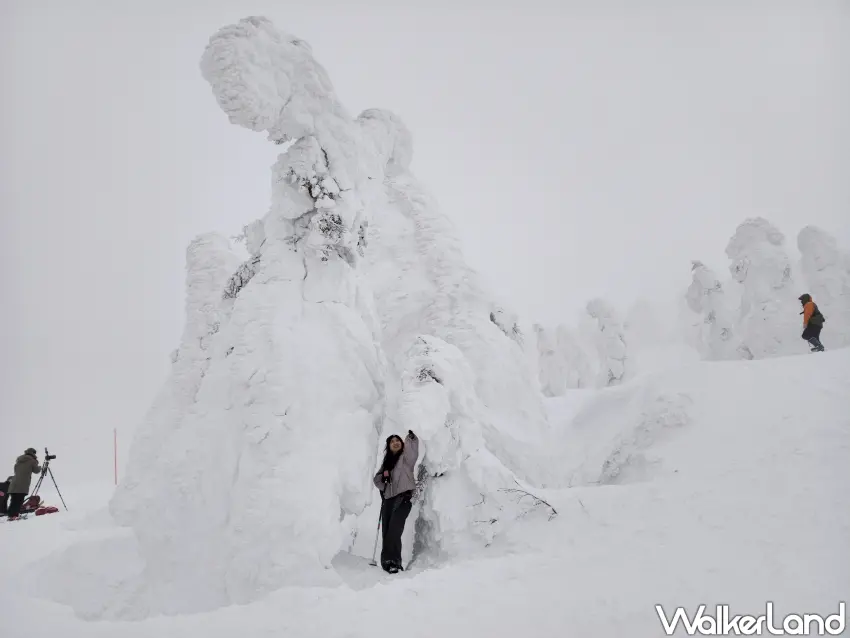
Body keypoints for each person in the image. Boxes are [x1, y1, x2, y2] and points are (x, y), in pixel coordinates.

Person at [373, 430, 419, 573]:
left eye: (397, 440)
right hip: (388, 500)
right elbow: (377, 480)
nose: (395, 442)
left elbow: (413, 452)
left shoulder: (406, 458)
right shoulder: (386, 463)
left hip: (404, 498)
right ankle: (387, 562)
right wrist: (384, 479)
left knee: (394, 529)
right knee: (387, 531)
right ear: (389, 446)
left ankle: (394, 562)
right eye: (392, 442)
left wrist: (411, 438)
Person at [7, 448, 41, 519]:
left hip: (14, 483)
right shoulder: (32, 460)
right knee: (19, 500)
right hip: (22, 484)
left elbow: (15, 470)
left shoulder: (19, 460)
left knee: (13, 500)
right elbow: (36, 470)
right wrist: (39, 466)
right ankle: (14, 516)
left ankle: (11, 515)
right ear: (33, 453)